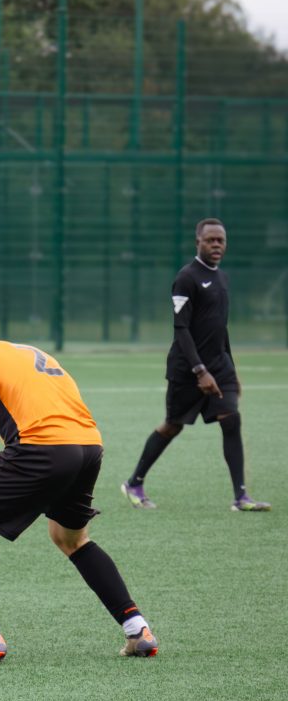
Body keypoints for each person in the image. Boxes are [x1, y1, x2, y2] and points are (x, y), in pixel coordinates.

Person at [0, 300, 157, 665]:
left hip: (43, 447)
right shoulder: (27, 352)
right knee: (70, 538)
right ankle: (137, 629)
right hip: (88, 446)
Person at [121, 218, 271, 513]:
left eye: (221, 241)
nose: (217, 245)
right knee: (172, 425)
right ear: (198, 242)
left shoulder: (222, 278)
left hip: (220, 366)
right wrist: (199, 371)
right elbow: (181, 329)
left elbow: (220, 328)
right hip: (187, 369)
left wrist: (231, 371)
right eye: (210, 240)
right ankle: (134, 483)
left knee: (231, 419)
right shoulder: (186, 277)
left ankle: (241, 497)